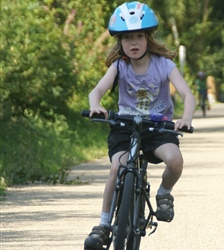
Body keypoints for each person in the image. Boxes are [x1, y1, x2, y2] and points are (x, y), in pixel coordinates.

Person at [84, 2, 196, 249]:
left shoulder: (164, 65)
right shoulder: (119, 66)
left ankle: (164, 193)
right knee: (117, 168)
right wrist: (96, 105)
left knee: (175, 161)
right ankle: (103, 225)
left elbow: (188, 95)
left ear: (148, 38)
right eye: (127, 38)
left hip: (158, 129)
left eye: (138, 36)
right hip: (125, 127)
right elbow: (98, 90)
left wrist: (185, 119)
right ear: (120, 42)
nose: (133, 42)